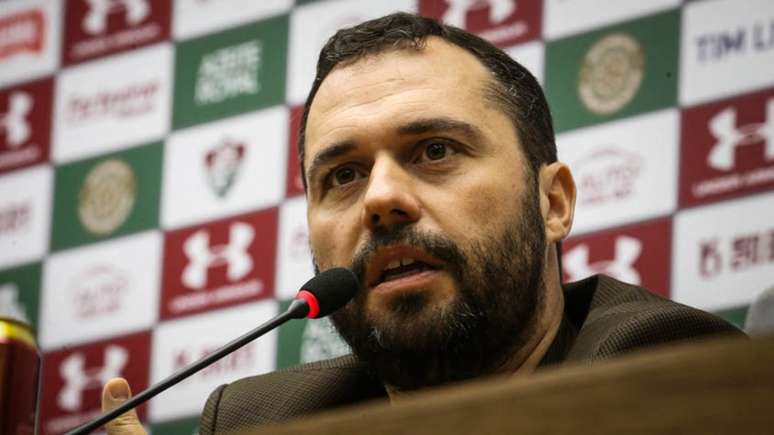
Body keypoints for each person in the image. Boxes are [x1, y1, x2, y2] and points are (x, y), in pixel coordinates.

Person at [100, 12, 741, 434]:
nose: (381, 198)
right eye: (343, 175)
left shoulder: (664, 371)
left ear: (553, 204)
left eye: (435, 151)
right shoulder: (258, 422)